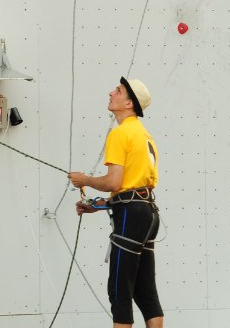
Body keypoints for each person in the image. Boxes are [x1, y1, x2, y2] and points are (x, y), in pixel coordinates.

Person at [68, 77, 163, 328]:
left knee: (120, 290)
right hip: (148, 213)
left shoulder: (120, 133)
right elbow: (131, 186)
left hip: (131, 216)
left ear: (129, 103)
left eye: (118, 91)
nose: (111, 92)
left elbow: (114, 183)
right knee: (145, 292)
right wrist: (97, 205)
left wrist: (84, 179)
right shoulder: (144, 134)